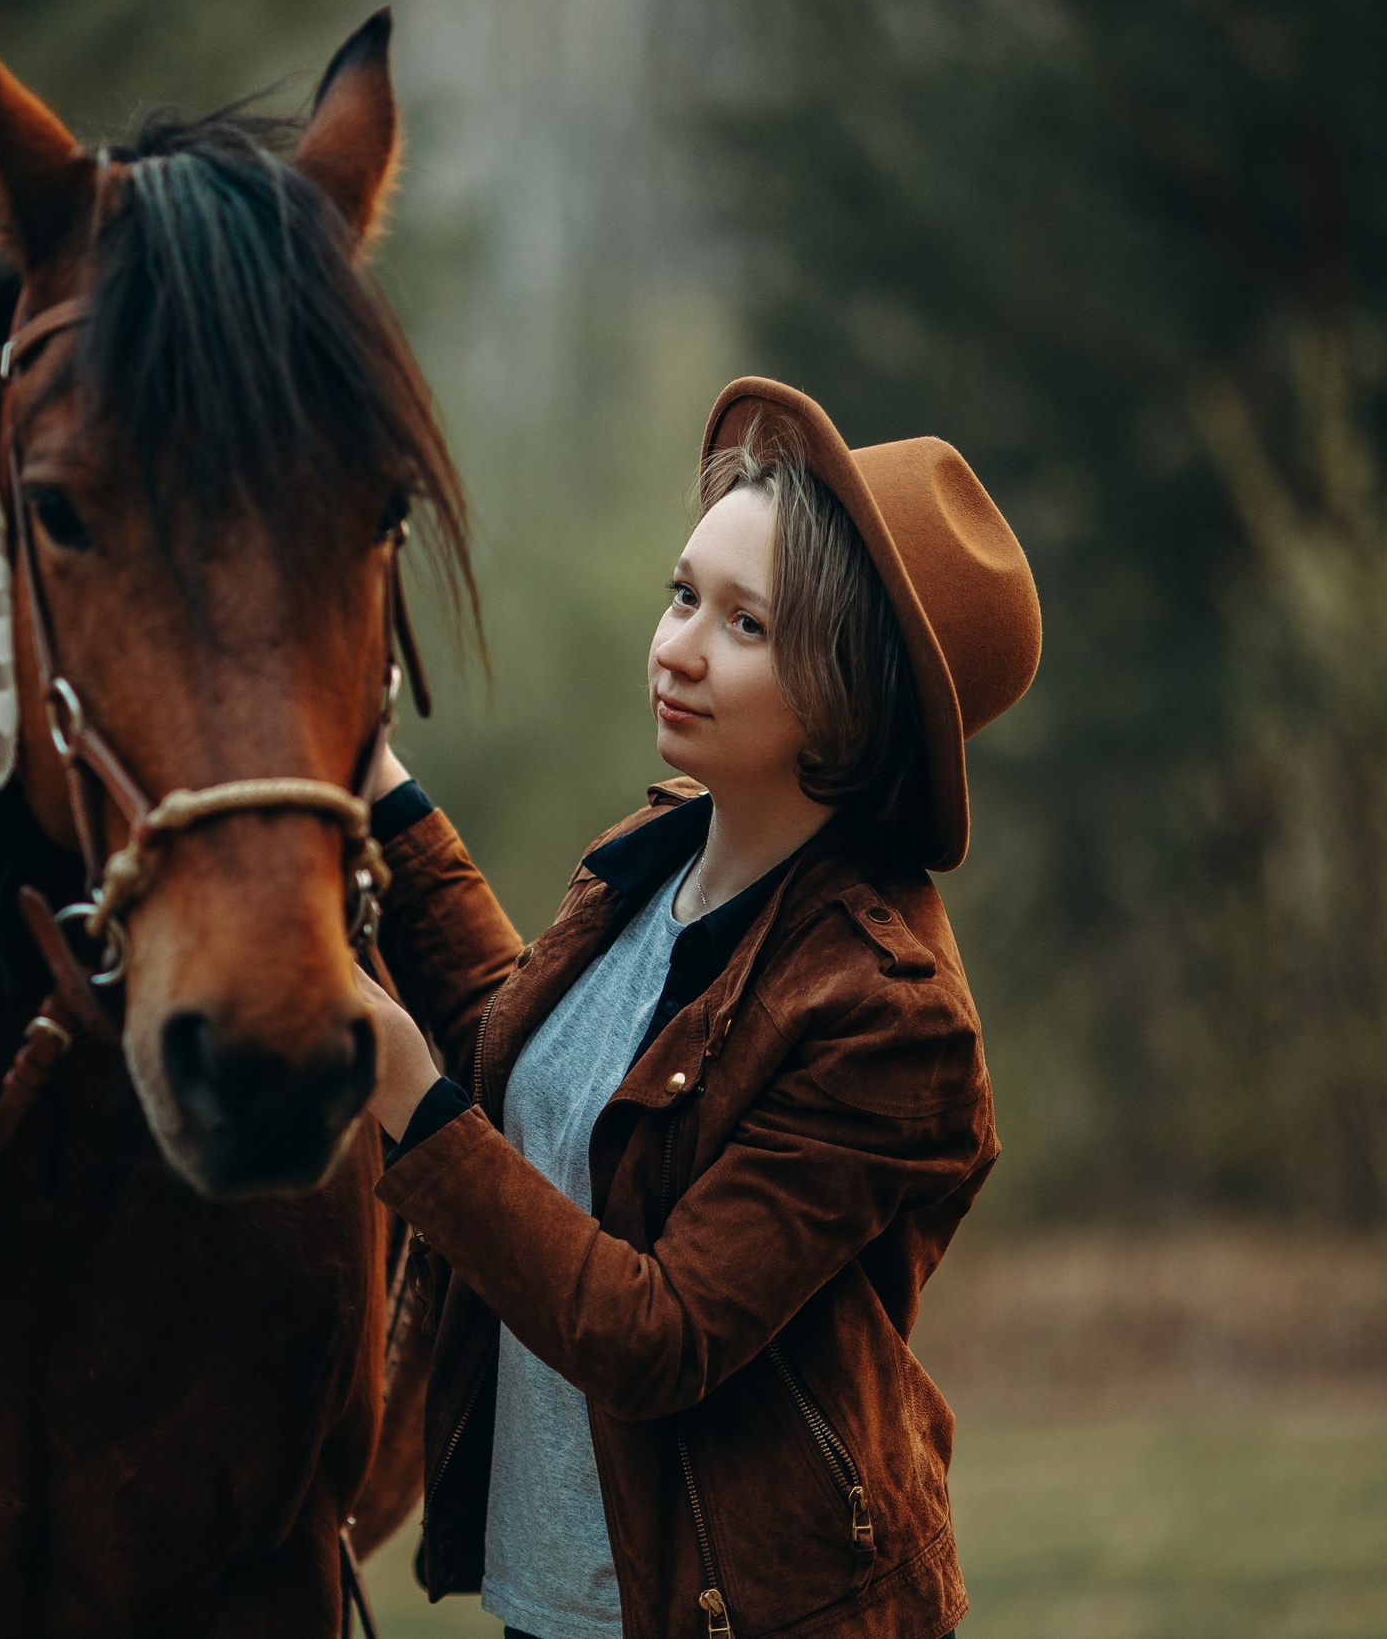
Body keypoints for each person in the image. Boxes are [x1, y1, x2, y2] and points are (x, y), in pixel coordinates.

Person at [354, 376, 1040, 1639]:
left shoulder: (887, 1015)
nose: (676, 647)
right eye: (682, 596)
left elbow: (653, 1334)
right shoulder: (661, 850)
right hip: (555, 1602)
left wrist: (409, 1105)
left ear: (851, 688)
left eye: (745, 625)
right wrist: (379, 782)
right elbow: (514, 1052)